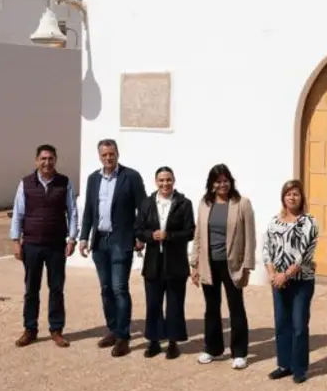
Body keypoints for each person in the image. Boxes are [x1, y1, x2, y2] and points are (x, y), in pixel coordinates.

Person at [79, 138, 146, 357]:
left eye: (111, 154)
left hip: (121, 241)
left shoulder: (131, 177)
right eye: (104, 154)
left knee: (119, 288)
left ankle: (123, 337)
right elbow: (89, 209)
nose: (108, 158)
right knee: (106, 289)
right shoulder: (93, 179)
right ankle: (113, 329)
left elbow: (143, 208)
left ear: (117, 154)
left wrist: (139, 235)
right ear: (99, 156)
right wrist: (83, 238)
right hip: (99, 241)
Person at [10, 144, 78, 348]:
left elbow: (72, 212)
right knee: (31, 289)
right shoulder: (26, 183)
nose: (47, 162)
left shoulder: (64, 183)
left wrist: (72, 239)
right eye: (43, 159)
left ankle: (56, 329)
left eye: (51, 159)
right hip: (31, 244)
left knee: (56, 288)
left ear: (55, 160)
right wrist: (16, 241)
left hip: (56, 245)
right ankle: (29, 329)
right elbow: (18, 212)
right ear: (36, 161)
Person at [190, 163, 257, 369]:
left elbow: (250, 236)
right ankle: (213, 348)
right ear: (211, 184)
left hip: (233, 264)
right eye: (218, 181)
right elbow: (199, 234)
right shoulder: (204, 204)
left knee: (236, 307)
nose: (222, 184)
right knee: (211, 308)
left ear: (231, 181)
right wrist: (194, 264)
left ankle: (239, 353)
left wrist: (247, 266)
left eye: (225, 180)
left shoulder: (242, 203)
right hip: (209, 264)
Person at [134, 166, 195, 359]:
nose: (165, 184)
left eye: (168, 180)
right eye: (161, 180)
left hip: (176, 261)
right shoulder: (146, 204)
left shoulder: (184, 203)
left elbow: (190, 231)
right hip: (153, 261)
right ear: (156, 182)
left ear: (174, 181)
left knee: (175, 303)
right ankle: (153, 341)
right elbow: (138, 229)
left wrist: (169, 235)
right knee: (153, 303)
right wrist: (150, 236)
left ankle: (173, 342)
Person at [263, 179, 319, 384]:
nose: (292, 197)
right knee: (281, 324)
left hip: (301, 281)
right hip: (278, 282)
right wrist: (272, 274)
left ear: (301, 197)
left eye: (296, 194)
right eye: (288, 194)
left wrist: (284, 275)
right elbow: (266, 249)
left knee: (299, 325)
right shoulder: (274, 221)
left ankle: (299, 367)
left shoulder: (309, 222)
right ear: (283, 198)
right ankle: (284, 364)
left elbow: (304, 255)